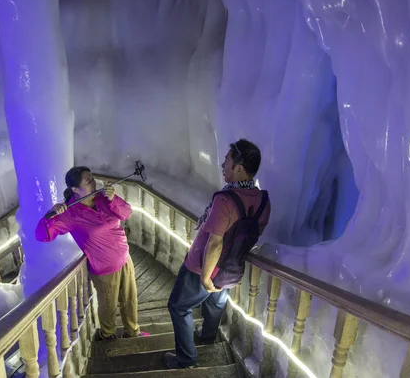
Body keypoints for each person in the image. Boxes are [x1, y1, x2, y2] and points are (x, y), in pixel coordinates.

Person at [165, 139, 271, 369]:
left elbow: (214, 243)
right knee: (215, 302)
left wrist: (205, 277)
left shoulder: (225, 200)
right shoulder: (262, 200)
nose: (223, 165)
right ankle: (207, 335)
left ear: (239, 168)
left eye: (227, 161)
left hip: (203, 267)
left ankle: (186, 358)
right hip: (231, 268)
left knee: (178, 306)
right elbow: (256, 232)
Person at [35, 166, 149, 340]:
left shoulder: (103, 199)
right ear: (75, 189)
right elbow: (42, 235)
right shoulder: (70, 214)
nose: (94, 183)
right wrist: (49, 216)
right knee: (108, 306)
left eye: (93, 178)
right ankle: (108, 336)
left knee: (130, 300)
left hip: (125, 259)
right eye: (88, 181)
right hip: (104, 268)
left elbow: (126, 213)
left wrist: (113, 198)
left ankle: (132, 332)